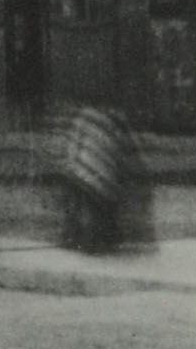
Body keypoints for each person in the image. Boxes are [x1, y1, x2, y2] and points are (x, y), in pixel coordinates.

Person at [55, 105, 151, 252]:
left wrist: (71, 164)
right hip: (101, 171)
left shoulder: (85, 116)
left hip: (85, 169)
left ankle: (83, 239)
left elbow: (75, 143)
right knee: (97, 208)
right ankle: (95, 239)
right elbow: (128, 146)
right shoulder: (115, 118)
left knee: (86, 208)